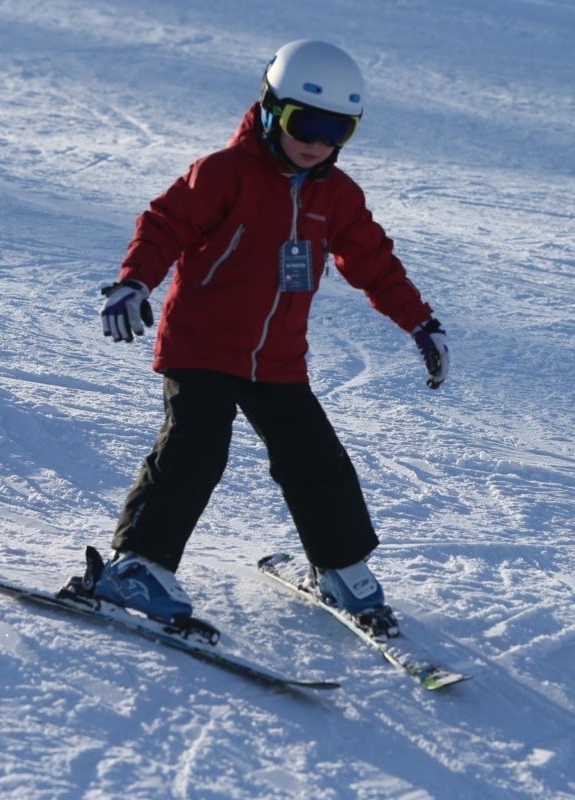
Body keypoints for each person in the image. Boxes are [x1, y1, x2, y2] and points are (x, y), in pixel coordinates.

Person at [89, 39, 449, 637]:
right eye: (304, 123)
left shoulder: (337, 195)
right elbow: (165, 224)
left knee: (316, 458)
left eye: (337, 130)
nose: (317, 142)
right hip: (202, 345)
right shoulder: (224, 173)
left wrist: (420, 321)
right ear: (270, 109)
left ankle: (338, 566)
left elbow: (375, 265)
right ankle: (136, 566)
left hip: (277, 360)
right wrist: (135, 282)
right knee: (194, 450)